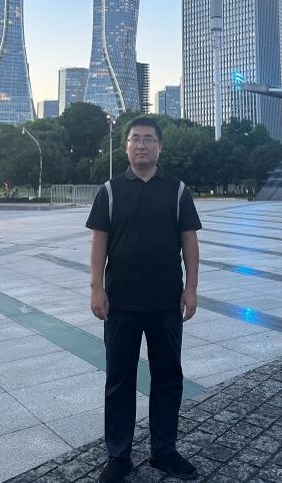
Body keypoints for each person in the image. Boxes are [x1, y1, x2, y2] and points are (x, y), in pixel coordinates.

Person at [87, 117, 202, 482]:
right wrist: (96, 287)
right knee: (119, 379)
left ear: (159, 147)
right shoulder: (109, 191)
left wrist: (191, 288)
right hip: (120, 302)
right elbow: (99, 241)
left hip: (166, 301)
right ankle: (118, 454)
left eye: (148, 139)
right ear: (126, 147)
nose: (141, 145)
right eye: (135, 139)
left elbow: (189, 241)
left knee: (168, 376)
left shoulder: (177, 190)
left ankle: (163, 450)